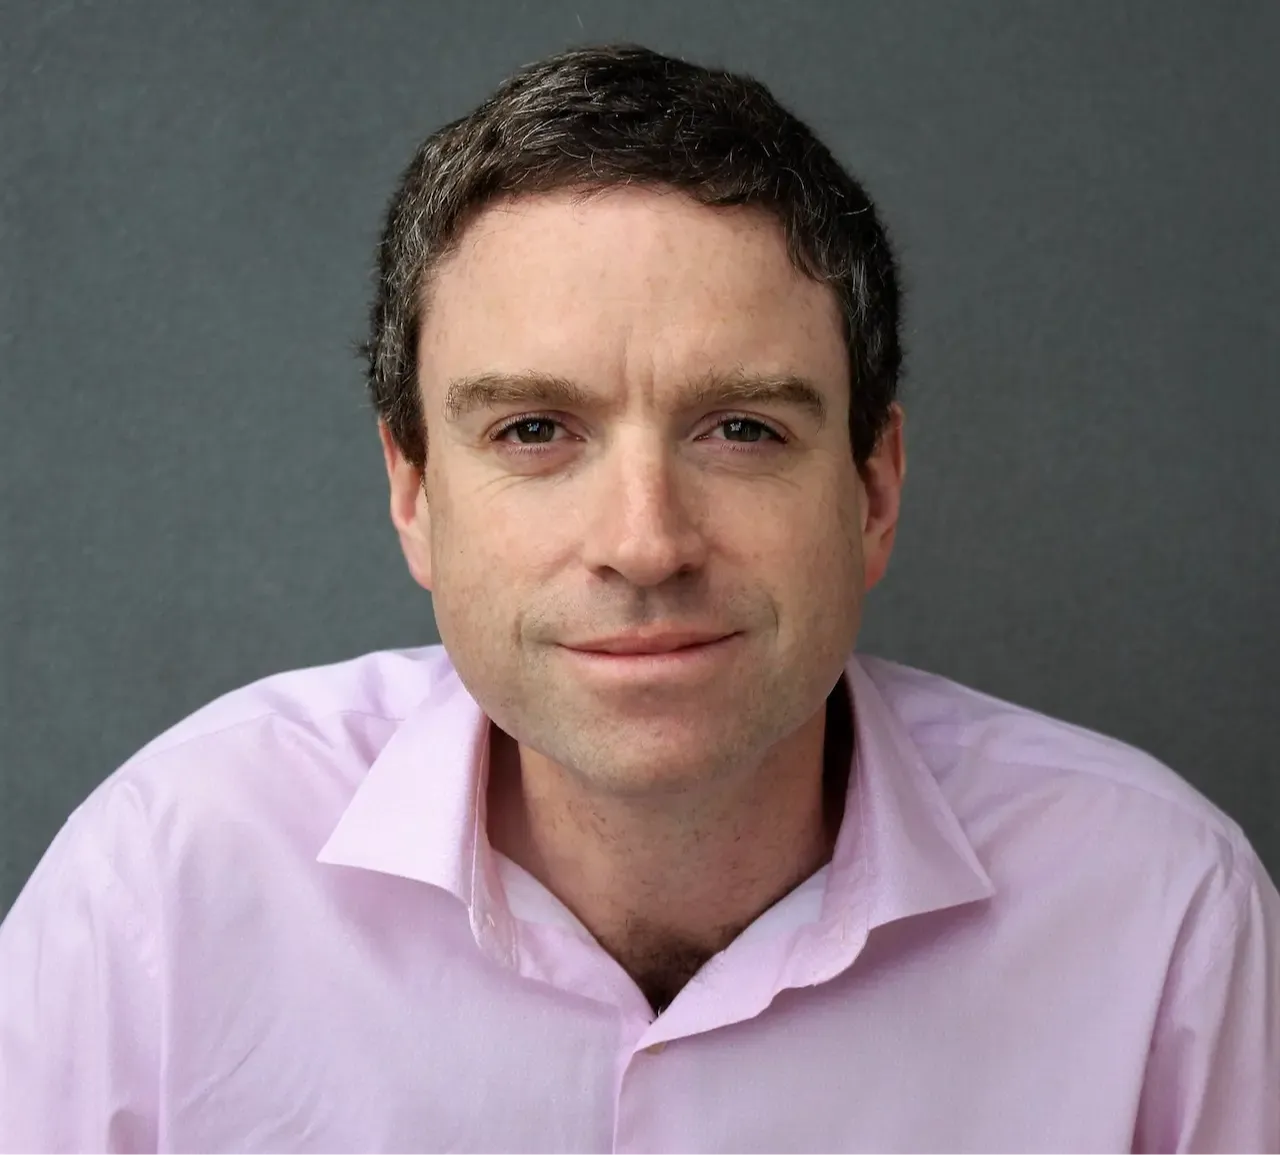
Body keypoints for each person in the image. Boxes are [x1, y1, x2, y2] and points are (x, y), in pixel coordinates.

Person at [1, 41, 1276, 1154]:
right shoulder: (161, 893)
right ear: (412, 492)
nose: (645, 543)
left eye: (737, 427)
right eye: (535, 428)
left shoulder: (1163, 918)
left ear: (872, 489)